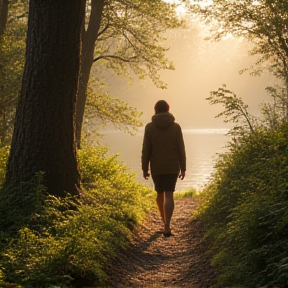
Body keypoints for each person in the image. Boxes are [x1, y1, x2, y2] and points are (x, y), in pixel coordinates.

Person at [141, 100, 186, 237]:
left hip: (157, 166)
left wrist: (145, 168)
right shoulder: (176, 127)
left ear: (155, 110)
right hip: (173, 166)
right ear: (168, 109)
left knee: (160, 194)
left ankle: (163, 221)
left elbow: (146, 150)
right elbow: (181, 149)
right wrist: (183, 167)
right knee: (169, 194)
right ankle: (167, 225)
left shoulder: (149, 127)